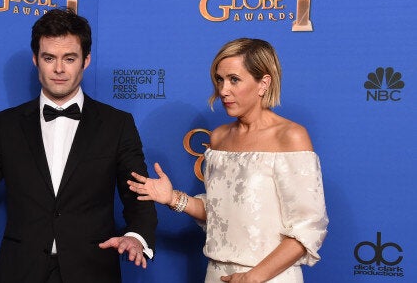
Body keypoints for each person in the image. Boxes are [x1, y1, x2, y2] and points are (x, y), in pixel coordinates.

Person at [0, 8, 157, 283]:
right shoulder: (6, 125)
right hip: (21, 270)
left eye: (69, 58)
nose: (59, 69)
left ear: (86, 60)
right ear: (36, 60)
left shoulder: (117, 124)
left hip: (92, 270)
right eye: (49, 58)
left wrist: (137, 235)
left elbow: (138, 193)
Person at [127, 38, 328, 283]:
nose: (223, 90)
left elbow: (307, 229)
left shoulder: (291, 137)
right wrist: (173, 199)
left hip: (269, 277)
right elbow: (220, 213)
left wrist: (253, 277)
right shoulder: (220, 137)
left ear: (263, 83)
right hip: (216, 274)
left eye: (234, 79)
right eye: (220, 79)